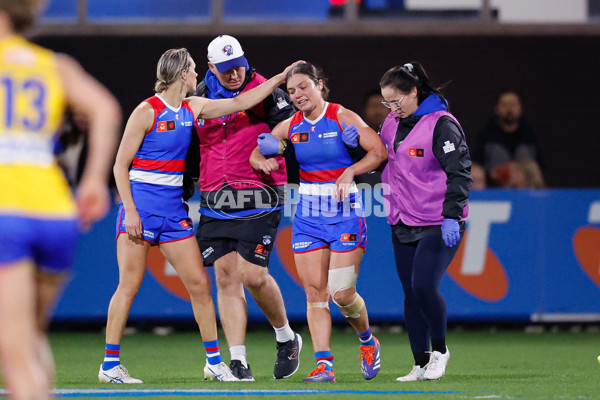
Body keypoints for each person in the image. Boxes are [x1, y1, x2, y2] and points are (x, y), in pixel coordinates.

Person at [100, 47, 301, 384]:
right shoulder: (145, 111)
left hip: (173, 213)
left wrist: (280, 78)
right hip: (142, 210)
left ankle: (214, 363)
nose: (197, 76)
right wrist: (130, 211)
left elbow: (240, 102)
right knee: (128, 287)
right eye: (193, 70)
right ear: (182, 74)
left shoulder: (193, 107)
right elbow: (120, 165)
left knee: (200, 286)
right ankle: (110, 365)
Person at [0, 0, 121, 398]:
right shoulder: (54, 65)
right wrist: (91, 182)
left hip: (7, 214)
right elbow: (105, 108)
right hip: (55, 213)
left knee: (16, 362)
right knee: (29, 339)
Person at [252, 63, 387, 382]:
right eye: (292, 91)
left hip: (344, 212)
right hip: (308, 215)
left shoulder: (342, 116)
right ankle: (324, 365)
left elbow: (379, 151)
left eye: (303, 87)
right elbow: (257, 154)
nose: (298, 94)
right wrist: (265, 158)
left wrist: (351, 169)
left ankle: (368, 341)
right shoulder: (291, 125)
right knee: (315, 292)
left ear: (320, 84)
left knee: (342, 294)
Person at [182, 35, 301, 381]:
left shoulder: (266, 91)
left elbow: (293, 131)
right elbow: (189, 144)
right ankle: (238, 361)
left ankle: (286, 337)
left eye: (239, 67)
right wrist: (187, 182)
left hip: (261, 193)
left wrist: (275, 149)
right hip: (215, 198)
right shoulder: (199, 97)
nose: (235, 75)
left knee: (252, 275)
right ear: (211, 69)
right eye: (226, 70)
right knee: (225, 277)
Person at [376, 62, 472, 382]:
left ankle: (440, 352)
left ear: (414, 92)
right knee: (410, 293)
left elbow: (459, 173)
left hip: (438, 219)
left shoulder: (442, 124)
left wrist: (452, 216)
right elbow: (380, 160)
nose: (391, 108)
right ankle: (419, 363)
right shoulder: (391, 123)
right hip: (402, 218)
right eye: (386, 102)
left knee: (423, 285)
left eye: (396, 101)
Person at [474, 90, 544, 187]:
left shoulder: (530, 136)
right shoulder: (486, 136)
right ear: (497, 108)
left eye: (513, 105)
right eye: (505, 105)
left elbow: (539, 168)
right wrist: (491, 175)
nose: (509, 109)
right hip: (494, 191)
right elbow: (476, 167)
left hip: (527, 192)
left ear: (520, 108)